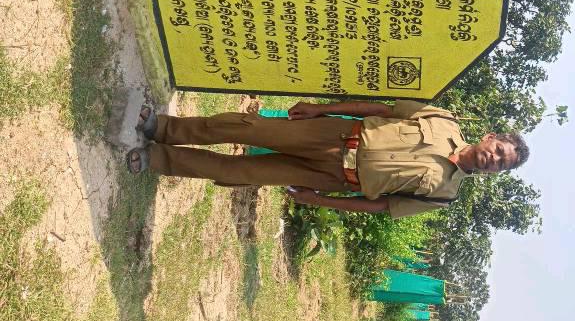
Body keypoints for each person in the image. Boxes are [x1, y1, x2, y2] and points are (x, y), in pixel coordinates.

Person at [126, 99, 529, 218]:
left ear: (496, 172)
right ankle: (163, 127)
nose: (494, 159)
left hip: (335, 178)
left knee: (240, 170)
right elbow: (383, 110)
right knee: (246, 128)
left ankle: (156, 159)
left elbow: (380, 206)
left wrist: (319, 199)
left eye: (502, 164)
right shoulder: (442, 119)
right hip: (333, 134)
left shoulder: (444, 195)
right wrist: (321, 109)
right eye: (499, 151)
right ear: (490, 138)